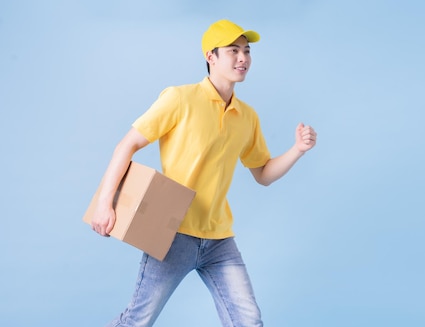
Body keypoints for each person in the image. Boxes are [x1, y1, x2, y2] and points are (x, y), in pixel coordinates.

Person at [90, 19, 317, 327]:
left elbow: (262, 173)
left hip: (219, 238)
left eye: (247, 51)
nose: (243, 58)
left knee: (248, 322)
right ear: (211, 56)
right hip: (172, 234)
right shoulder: (179, 99)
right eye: (233, 50)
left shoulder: (247, 116)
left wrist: (297, 150)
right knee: (137, 322)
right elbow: (126, 145)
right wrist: (105, 203)